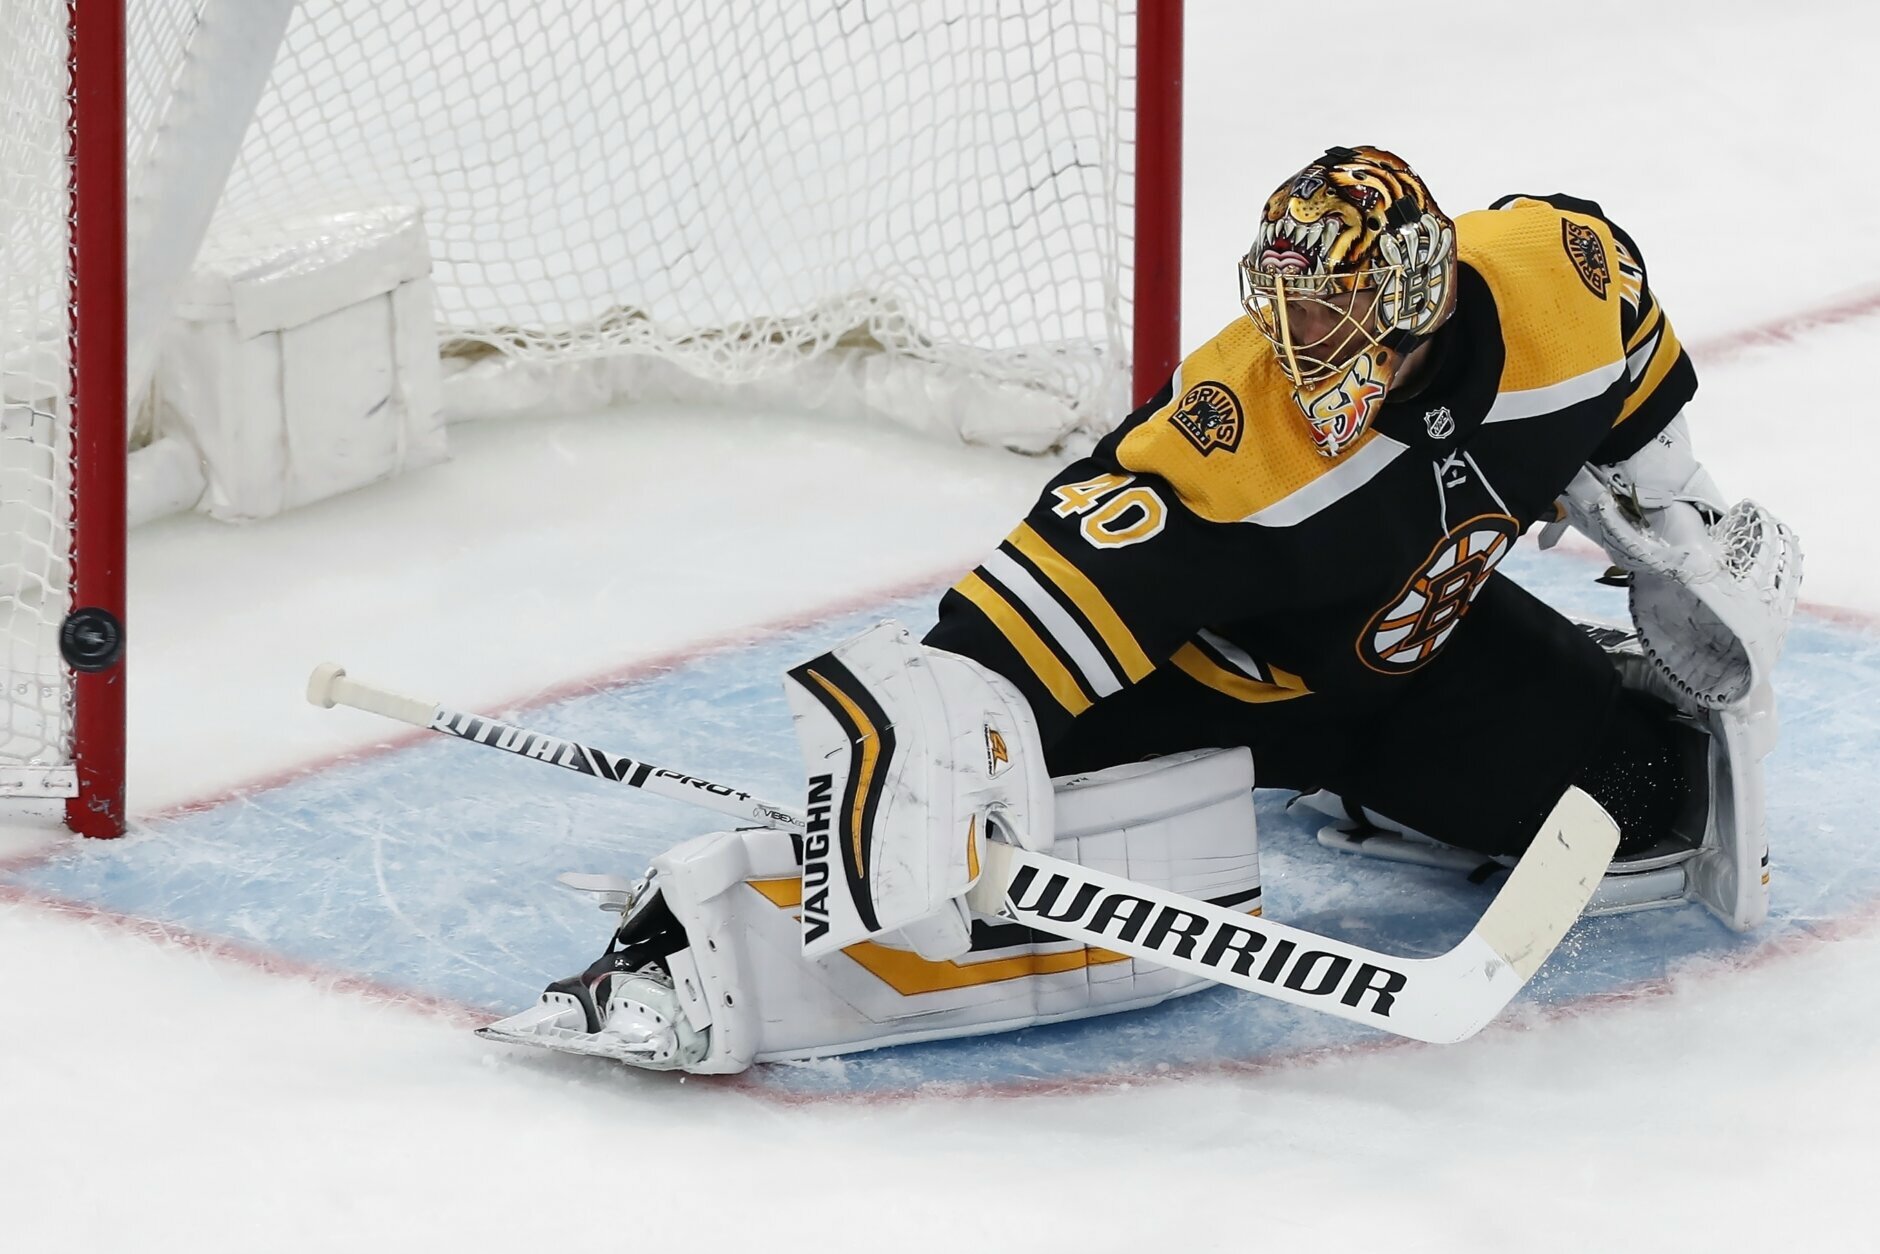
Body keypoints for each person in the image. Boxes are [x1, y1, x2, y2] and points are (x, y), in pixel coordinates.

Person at [484, 147, 1800, 1073]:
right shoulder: (1233, 438)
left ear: (1415, 298)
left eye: (1330, 314)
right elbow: (1029, 606)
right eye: (1284, 308)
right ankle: (683, 948)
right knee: (951, 862)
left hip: (1409, 670)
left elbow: (1641, 412)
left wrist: (1684, 526)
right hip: (1198, 692)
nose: (1297, 344)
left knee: (1649, 788)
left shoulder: (1564, 272)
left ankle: (1388, 785)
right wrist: (933, 745)